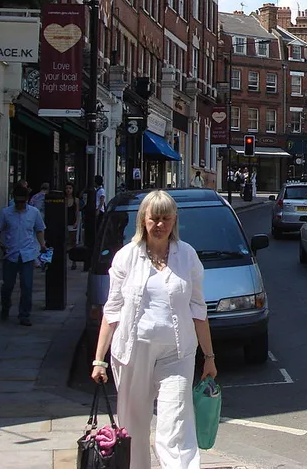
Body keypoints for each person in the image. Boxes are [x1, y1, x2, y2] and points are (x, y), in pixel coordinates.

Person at [91, 190, 218, 469]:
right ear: (143, 220)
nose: (159, 225)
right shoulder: (127, 257)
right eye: (154, 219)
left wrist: (208, 357)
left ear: (174, 220)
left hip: (178, 353)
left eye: (165, 218)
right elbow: (112, 311)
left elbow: (198, 309)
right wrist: (99, 359)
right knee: (133, 426)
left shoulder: (187, 256)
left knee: (176, 424)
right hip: (133, 351)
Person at [0, 183, 46, 326]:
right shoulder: (6, 213)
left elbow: (39, 230)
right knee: (8, 286)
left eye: (22, 201)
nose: (20, 204)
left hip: (27, 254)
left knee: (27, 286)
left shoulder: (34, 213)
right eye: (17, 201)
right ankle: (5, 306)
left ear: (27, 200)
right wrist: (1, 245)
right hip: (11, 254)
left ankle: (24, 315)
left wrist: (42, 245)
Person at [65, 183, 82, 270]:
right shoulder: (64, 200)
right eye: (67, 188)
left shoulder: (76, 200)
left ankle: (73, 261)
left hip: (72, 222)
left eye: (70, 188)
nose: (68, 190)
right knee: (65, 242)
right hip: (65, 222)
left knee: (73, 242)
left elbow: (77, 212)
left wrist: (76, 222)